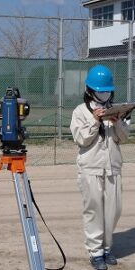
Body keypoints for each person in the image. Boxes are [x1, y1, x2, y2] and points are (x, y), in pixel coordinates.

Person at [70, 65, 130, 270]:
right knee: (94, 210)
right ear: (89, 90)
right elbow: (81, 139)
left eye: (106, 90)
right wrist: (95, 120)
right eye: (99, 90)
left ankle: (106, 247)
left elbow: (123, 138)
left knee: (114, 210)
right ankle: (95, 252)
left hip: (112, 166)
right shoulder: (80, 111)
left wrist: (119, 121)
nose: (103, 94)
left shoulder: (116, 109)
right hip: (90, 168)